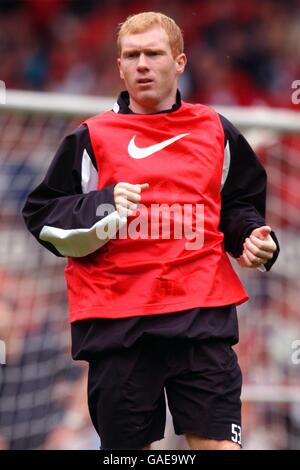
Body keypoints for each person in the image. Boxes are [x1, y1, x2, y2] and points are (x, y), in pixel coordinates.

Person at [22, 11, 279, 450]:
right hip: (118, 323)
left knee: (219, 446)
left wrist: (251, 236)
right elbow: (42, 213)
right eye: (132, 55)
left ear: (179, 62)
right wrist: (102, 204)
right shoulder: (90, 137)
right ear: (119, 66)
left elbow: (237, 205)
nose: (142, 64)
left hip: (202, 314)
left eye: (153, 54)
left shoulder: (216, 130)